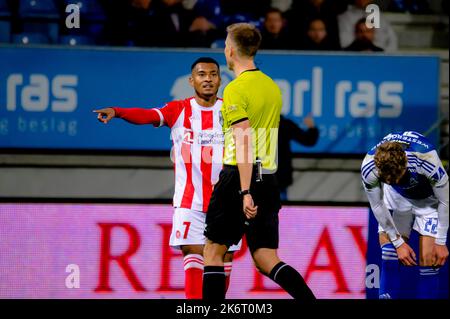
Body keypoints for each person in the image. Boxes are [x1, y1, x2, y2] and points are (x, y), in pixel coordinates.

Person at [93, 57, 241, 299]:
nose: (208, 79)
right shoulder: (179, 109)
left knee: (223, 258)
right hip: (189, 202)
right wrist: (117, 112)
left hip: (226, 202)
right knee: (193, 253)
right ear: (192, 80)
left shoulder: (230, 111)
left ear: (220, 79)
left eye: (213, 74)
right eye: (202, 74)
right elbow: (148, 115)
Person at [202, 22, 315, 301]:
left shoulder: (235, 90)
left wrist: (244, 191)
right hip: (269, 177)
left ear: (230, 50)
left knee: (214, 250)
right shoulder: (272, 87)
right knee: (266, 257)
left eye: (226, 46)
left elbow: (243, 139)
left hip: (239, 178)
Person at [361, 131, 449, 299]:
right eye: (388, 180)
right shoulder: (369, 167)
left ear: (405, 164)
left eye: (398, 178)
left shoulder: (426, 159)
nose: (394, 181)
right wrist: (398, 243)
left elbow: (446, 200)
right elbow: (378, 205)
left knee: (429, 260)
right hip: (396, 197)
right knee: (389, 251)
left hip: (428, 201)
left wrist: (441, 240)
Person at [276, 115, 319, 201]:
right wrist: (311, 127)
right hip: (279, 177)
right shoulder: (284, 123)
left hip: (264, 176)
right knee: (281, 209)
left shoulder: (257, 121)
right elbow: (308, 140)